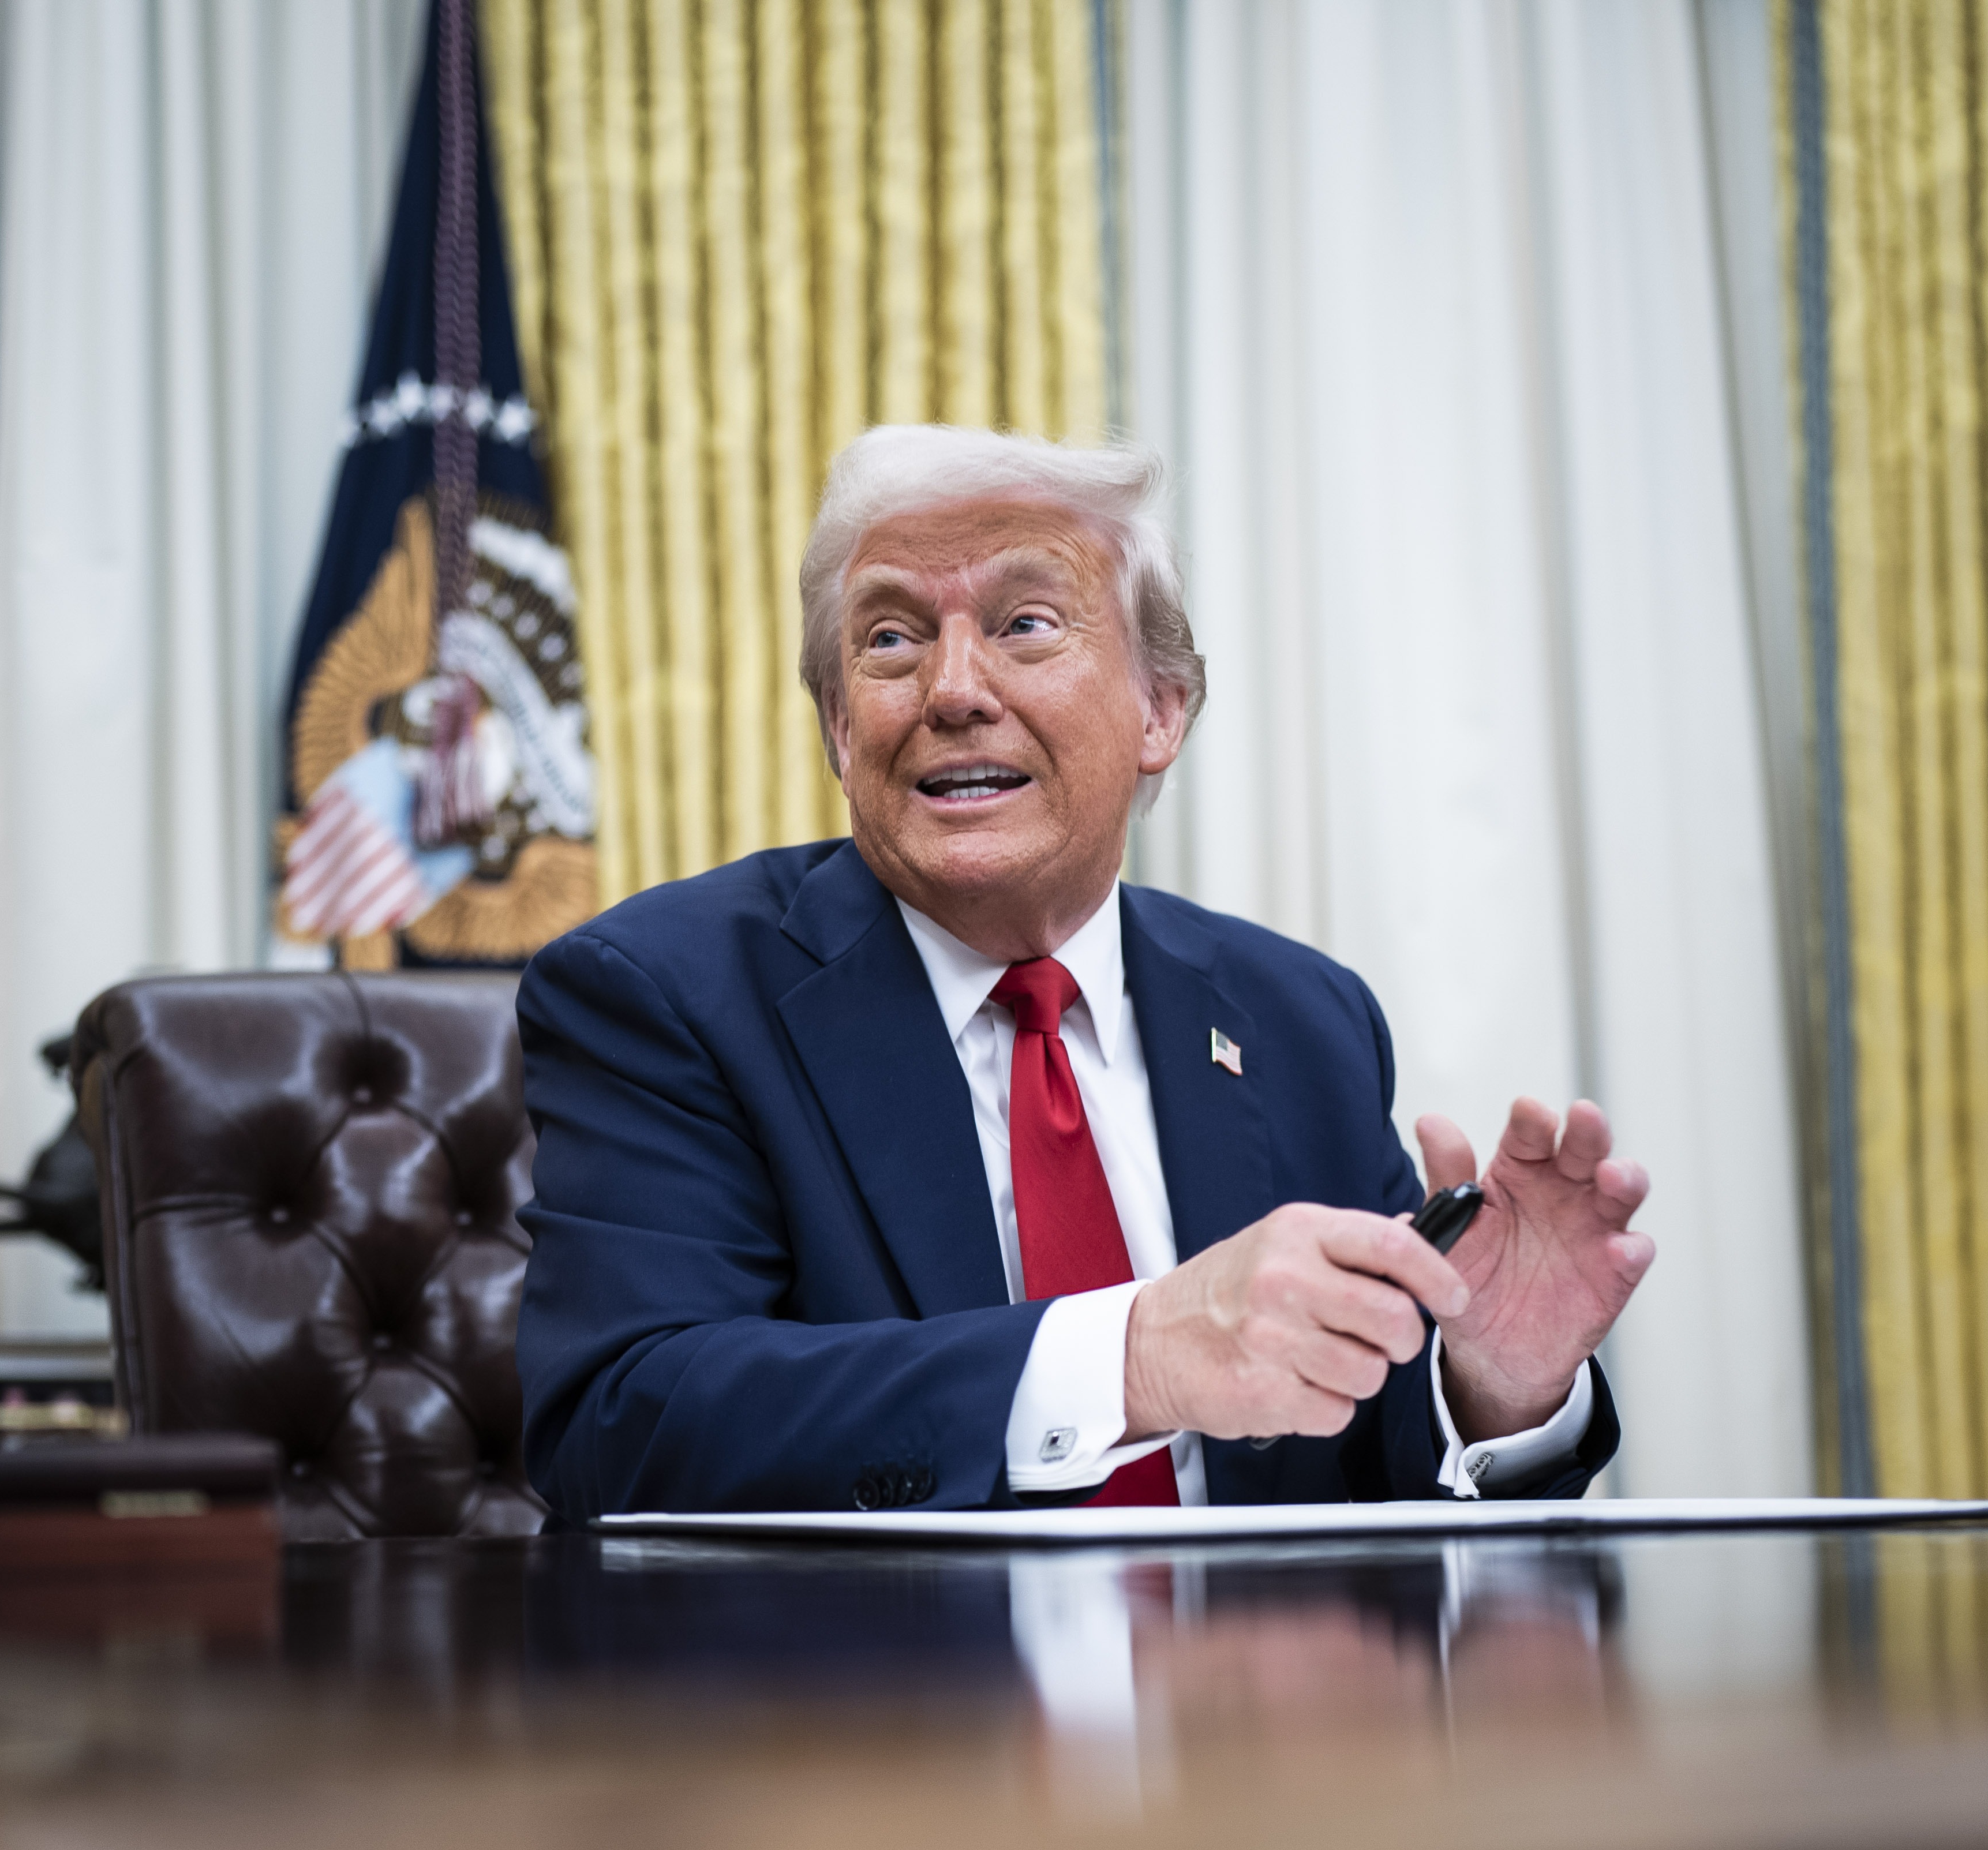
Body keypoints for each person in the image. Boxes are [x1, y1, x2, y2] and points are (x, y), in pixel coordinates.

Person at [517, 427, 1652, 1522]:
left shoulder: (1300, 1017)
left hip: (1260, 1664)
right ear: (839, 728)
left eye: (1024, 624)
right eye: (890, 641)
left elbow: (1358, 1458)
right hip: (875, 1662)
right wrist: (1130, 1357)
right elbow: (622, 1424)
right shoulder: (666, 994)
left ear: (1159, 711)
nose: (951, 690)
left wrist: (1490, 1386)